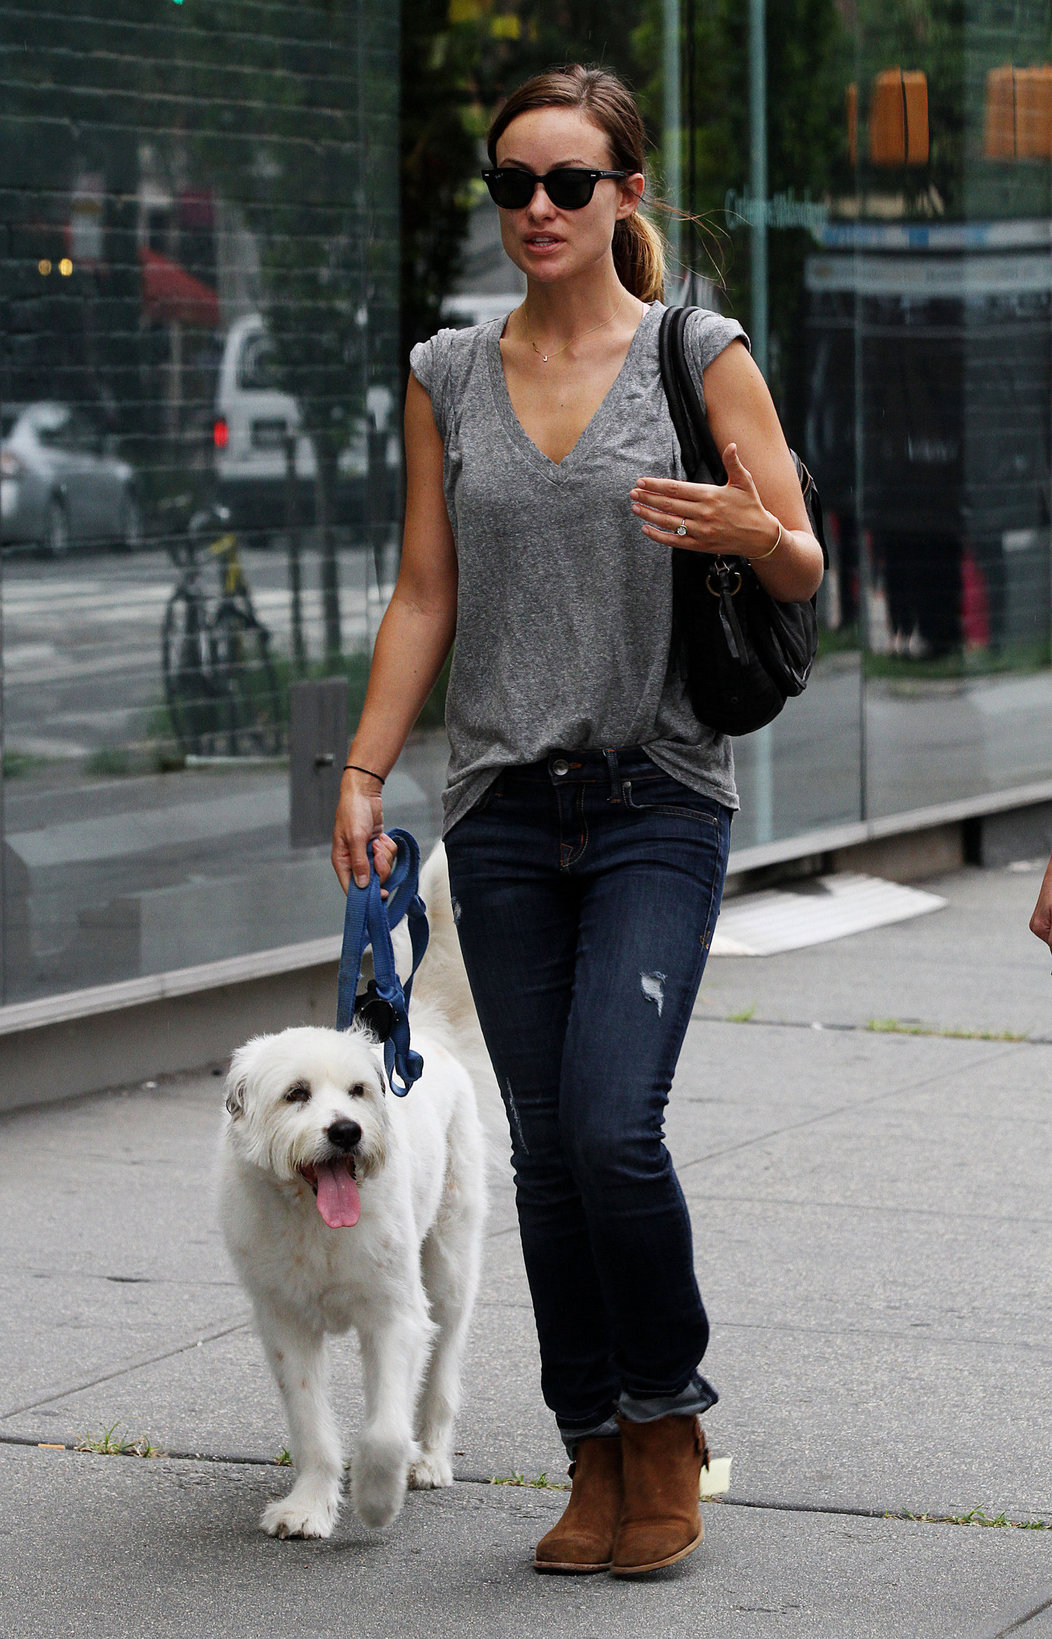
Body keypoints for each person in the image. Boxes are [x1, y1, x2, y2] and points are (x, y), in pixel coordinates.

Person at [331, 63, 824, 1576]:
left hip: (656, 794)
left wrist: (755, 531)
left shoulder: (700, 352)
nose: (534, 210)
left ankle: (665, 1419)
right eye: (510, 185)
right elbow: (426, 591)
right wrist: (361, 771)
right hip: (499, 806)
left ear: (626, 195)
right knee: (547, 1150)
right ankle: (590, 1451)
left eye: (566, 182)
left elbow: (804, 564)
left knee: (612, 1127)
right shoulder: (447, 373)